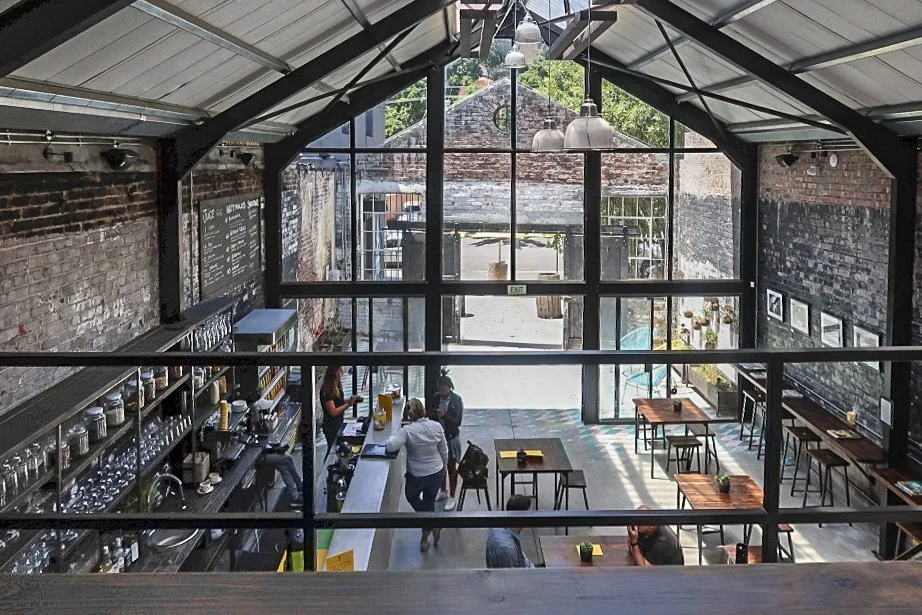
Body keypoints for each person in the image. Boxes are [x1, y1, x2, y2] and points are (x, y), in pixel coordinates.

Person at [385, 398, 448, 552]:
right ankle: (430, 528)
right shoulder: (436, 426)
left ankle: (427, 531)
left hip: (417, 475)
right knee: (429, 502)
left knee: (411, 496)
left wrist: (389, 438)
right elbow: (444, 449)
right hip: (436, 471)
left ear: (409, 415)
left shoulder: (407, 431)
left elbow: (391, 446)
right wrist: (444, 466)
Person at [430, 369, 463, 511]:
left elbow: (457, 421)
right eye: (440, 390)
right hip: (438, 437)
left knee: (451, 467)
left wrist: (444, 415)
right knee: (440, 466)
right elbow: (431, 412)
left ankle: (453, 495)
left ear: (450, 388)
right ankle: (443, 491)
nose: (442, 393)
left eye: (444, 390)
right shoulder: (436, 397)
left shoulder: (456, 400)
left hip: (451, 438)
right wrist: (435, 415)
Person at [485, 494, 535, 568]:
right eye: (530, 514)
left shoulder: (501, 529)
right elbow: (513, 578)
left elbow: (522, 559)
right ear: (522, 517)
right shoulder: (508, 549)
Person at [319, 365, 359, 453]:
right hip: (331, 426)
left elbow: (338, 403)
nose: (342, 373)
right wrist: (348, 404)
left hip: (338, 422)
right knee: (333, 450)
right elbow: (333, 412)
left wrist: (350, 401)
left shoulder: (337, 385)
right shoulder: (327, 390)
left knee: (336, 448)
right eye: (340, 370)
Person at [262, 442, 303, 509]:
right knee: (288, 458)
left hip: (267, 452)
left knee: (284, 468)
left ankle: (294, 496)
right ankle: (298, 484)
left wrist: (275, 449)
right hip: (262, 456)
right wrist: (275, 450)